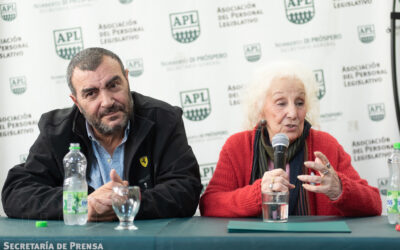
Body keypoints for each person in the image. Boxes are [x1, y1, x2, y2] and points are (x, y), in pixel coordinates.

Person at [2, 47, 202, 221]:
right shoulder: (56, 130)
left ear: (127, 79)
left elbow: (185, 189)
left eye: (113, 85)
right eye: (91, 93)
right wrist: (85, 203)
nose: (107, 101)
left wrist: (122, 202)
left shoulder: (163, 119)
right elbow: (16, 192)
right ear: (77, 102)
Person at [199, 61, 381, 217]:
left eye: (300, 103)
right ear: (261, 108)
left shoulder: (325, 145)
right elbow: (210, 204)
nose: (293, 113)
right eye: (281, 103)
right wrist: (258, 194)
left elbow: (374, 203)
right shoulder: (237, 146)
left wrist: (339, 189)